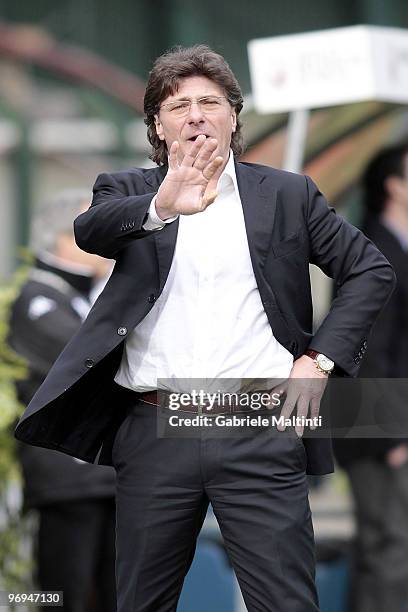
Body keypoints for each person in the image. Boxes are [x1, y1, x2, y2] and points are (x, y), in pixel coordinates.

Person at [15, 45, 395, 612]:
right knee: (142, 601)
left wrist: (319, 361)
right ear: (157, 125)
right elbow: (92, 231)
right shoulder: (125, 190)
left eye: (209, 102)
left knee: (287, 603)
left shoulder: (288, 194)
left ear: (233, 116)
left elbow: (370, 269)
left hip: (258, 424)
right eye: (178, 105)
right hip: (154, 426)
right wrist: (161, 205)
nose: (195, 114)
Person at [9, 190, 116, 612]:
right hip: (66, 480)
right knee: (60, 595)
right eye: (95, 231)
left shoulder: (78, 297)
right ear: (64, 238)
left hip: (103, 477)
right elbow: (90, 359)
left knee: (114, 595)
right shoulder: (36, 298)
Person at [334, 143, 408, 612]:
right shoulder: (373, 250)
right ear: (395, 186)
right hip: (379, 424)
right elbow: (367, 346)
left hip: (388, 421)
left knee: (386, 544)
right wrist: (392, 434)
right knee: (393, 545)